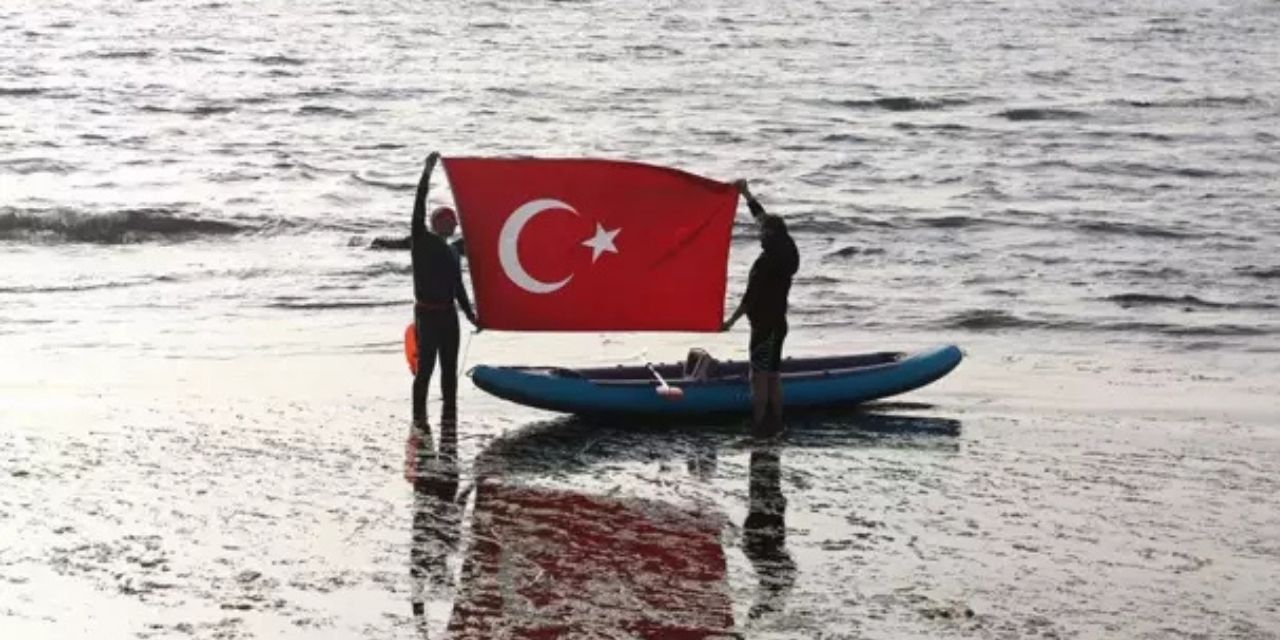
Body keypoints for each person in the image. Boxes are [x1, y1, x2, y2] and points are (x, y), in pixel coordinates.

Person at [407, 152, 479, 482]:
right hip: (427, 316)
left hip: (449, 316)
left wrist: (472, 315)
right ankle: (418, 420)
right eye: (448, 222)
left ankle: (449, 417)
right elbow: (418, 208)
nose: (453, 226)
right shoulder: (421, 241)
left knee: (449, 371)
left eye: (454, 223)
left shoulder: (452, 251)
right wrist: (426, 173)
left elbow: (458, 287)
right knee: (425, 370)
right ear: (437, 224)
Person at [721, 179, 799, 436]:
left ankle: (759, 424)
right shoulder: (788, 252)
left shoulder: (764, 264)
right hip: (779, 325)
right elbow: (763, 219)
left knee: (759, 376)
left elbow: (749, 300)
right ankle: (777, 421)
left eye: (762, 232)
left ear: (769, 236)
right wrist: (746, 194)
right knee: (773, 375)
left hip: (764, 329)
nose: (759, 233)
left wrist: (729, 322)